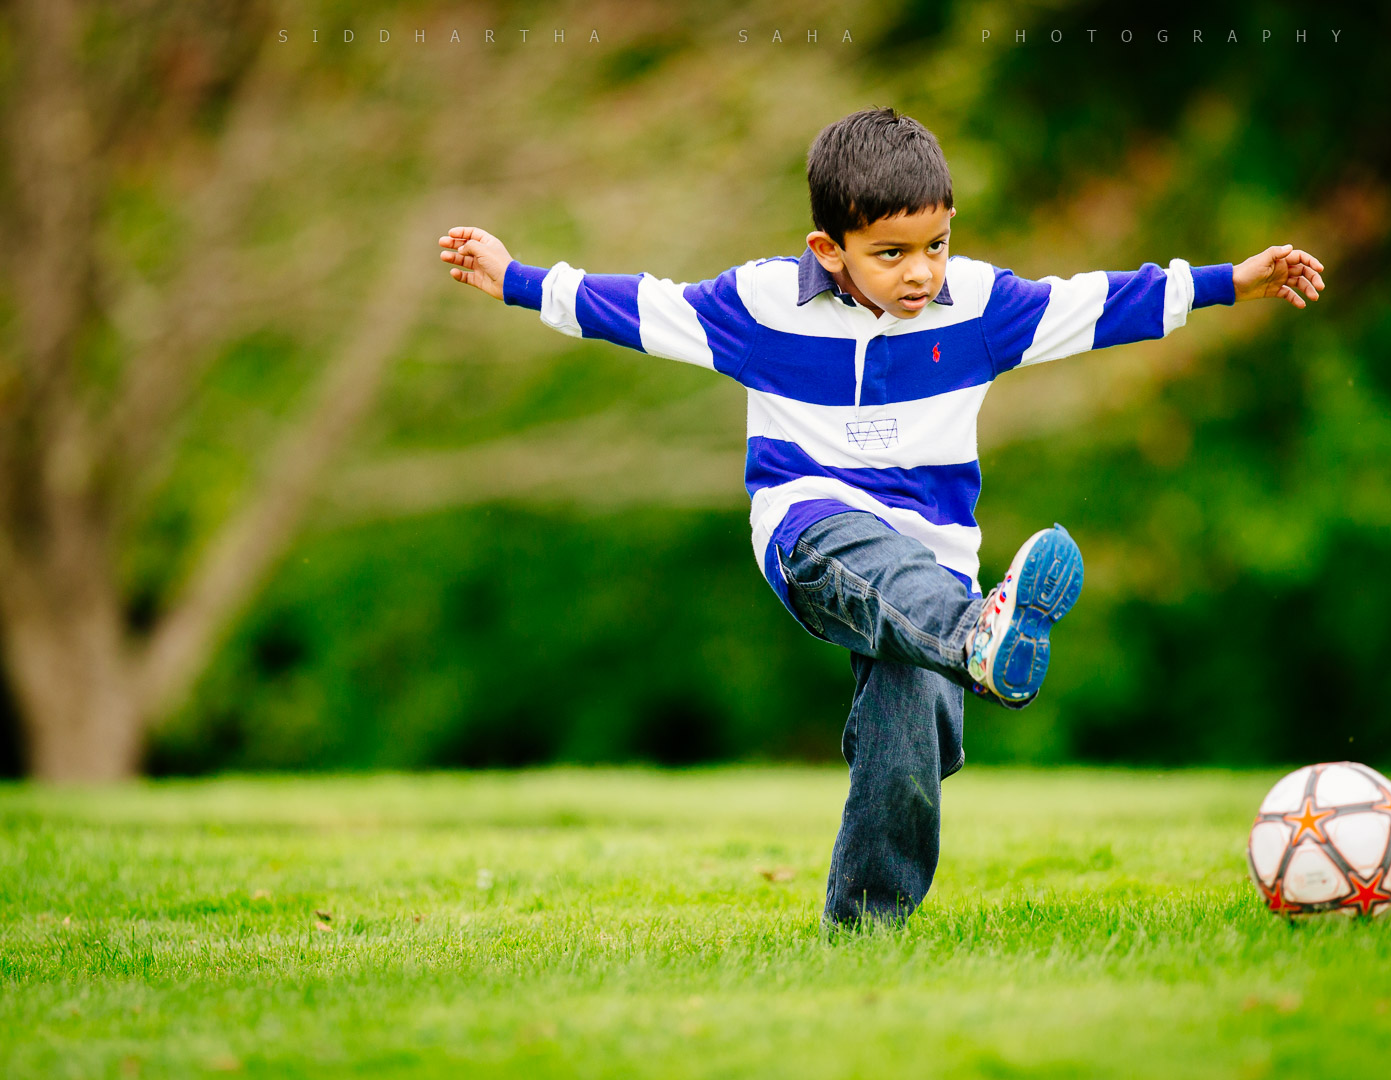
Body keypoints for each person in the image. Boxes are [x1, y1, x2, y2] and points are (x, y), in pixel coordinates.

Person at [436, 106, 1326, 930]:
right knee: (868, 557)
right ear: (829, 248)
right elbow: (631, 307)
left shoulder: (978, 306)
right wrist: (512, 278)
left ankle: (866, 932)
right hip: (807, 529)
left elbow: (1097, 304)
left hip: (934, 559)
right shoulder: (757, 308)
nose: (922, 272)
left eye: (935, 245)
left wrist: (1230, 284)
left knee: (907, 732)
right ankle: (977, 635)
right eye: (892, 254)